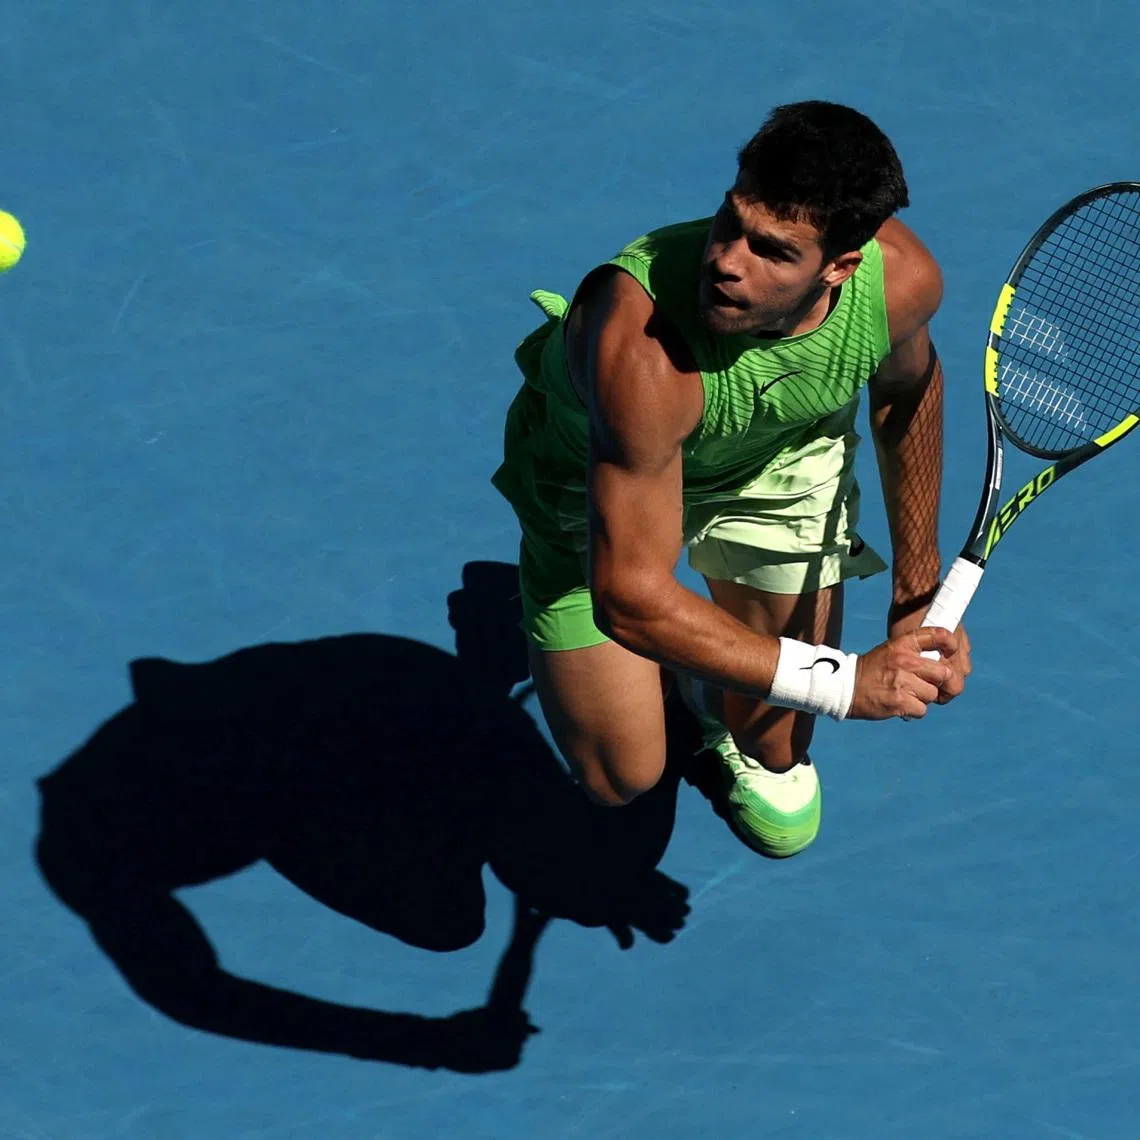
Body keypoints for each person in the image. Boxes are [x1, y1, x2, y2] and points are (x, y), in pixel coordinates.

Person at [491, 100, 971, 858]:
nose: (726, 260)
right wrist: (842, 683)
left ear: (841, 267)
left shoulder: (901, 284)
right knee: (620, 776)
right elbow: (628, 597)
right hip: (598, 483)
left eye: (773, 251)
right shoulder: (643, 347)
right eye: (731, 221)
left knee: (776, 744)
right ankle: (614, 618)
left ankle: (708, 686)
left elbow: (906, 394)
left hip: (776, 465)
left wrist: (917, 591)